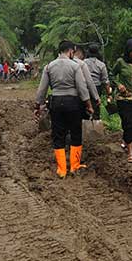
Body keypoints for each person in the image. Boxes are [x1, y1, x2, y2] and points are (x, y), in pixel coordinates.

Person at [35, 40, 94, 178]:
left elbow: (42, 89)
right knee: (75, 133)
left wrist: (38, 106)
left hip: (56, 103)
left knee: (58, 134)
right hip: (73, 103)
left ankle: (61, 169)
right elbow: (82, 88)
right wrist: (88, 105)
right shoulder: (75, 66)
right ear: (70, 51)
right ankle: (74, 166)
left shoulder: (49, 67)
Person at [84, 43, 111, 121]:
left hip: (84, 88)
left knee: (84, 108)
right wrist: (108, 94)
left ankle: (84, 127)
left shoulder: (83, 63)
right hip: (96, 89)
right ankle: (95, 128)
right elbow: (105, 81)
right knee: (96, 109)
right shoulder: (101, 65)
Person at [72, 46, 101, 116]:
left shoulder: (52, 64)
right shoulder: (81, 64)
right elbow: (88, 82)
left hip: (58, 98)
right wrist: (95, 98)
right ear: (80, 53)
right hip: (77, 96)